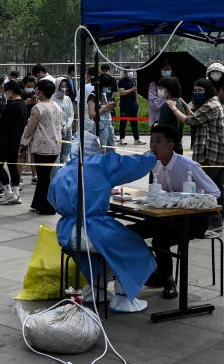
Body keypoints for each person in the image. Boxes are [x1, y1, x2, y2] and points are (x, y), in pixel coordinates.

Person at [48, 132, 157, 312]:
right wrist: (151, 157)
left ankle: (96, 289)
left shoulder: (63, 171)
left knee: (106, 251)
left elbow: (51, 199)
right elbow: (131, 165)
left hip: (67, 232)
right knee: (133, 247)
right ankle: (123, 298)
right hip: (93, 229)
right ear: (96, 150)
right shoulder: (100, 164)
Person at [145, 124, 222, 299]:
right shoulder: (154, 164)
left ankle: (168, 280)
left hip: (194, 220)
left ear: (171, 145)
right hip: (167, 216)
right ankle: (155, 273)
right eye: (151, 141)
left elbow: (215, 192)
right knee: (135, 232)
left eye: (158, 141)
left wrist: (189, 201)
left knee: (160, 238)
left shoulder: (188, 166)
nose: (153, 146)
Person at [167, 77, 224, 234]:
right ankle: (217, 221)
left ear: (208, 91)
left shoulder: (210, 105)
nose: (196, 94)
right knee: (218, 187)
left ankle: (213, 221)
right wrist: (188, 109)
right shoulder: (213, 104)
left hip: (211, 154)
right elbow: (198, 118)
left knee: (207, 188)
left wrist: (173, 108)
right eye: (194, 91)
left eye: (200, 91)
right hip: (220, 154)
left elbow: (190, 121)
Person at [20, 79, 63, 214]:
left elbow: (29, 128)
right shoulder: (56, 105)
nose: (36, 91)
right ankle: (38, 203)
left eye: (38, 89)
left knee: (43, 178)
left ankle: (48, 207)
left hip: (42, 146)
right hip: (55, 145)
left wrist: (23, 142)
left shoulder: (38, 108)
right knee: (44, 177)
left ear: (42, 92)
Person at [0, 80, 27, 205]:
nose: (5, 94)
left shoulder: (11, 105)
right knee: (12, 166)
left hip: (5, 141)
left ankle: (8, 192)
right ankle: (16, 194)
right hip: (16, 141)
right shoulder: (22, 103)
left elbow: (3, 122)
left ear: (10, 91)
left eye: (6, 91)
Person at [154, 76, 187, 154]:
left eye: (161, 88)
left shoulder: (167, 105)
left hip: (168, 148)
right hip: (178, 145)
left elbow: (161, 128)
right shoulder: (179, 102)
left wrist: (156, 126)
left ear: (168, 90)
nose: (159, 90)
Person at [88, 72, 117, 150]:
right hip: (100, 126)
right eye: (106, 86)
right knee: (101, 150)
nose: (108, 88)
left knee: (112, 150)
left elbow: (105, 107)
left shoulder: (104, 94)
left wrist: (110, 106)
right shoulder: (92, 96)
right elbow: (91, 115)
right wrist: (105, 107)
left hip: (109, 124)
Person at [52, 77, 76, 163]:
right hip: (56, 130)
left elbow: (71, 114)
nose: (64, 88)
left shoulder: (67, 99)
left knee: (65, 153)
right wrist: (61, 126)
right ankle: (56, 174)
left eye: (65, 86)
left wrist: (67, 126)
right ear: (57, 86)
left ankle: (63, 171)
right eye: (61, 86)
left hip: (67, 129)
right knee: (57, 153)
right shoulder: (52, 99)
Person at [116, 69, 141, 145]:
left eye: (131, 71)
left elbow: (135, 91)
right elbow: (122, 92)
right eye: (129, 71)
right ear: (125, 73)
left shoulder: (133, 80)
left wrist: (136, 102)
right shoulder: (121, 81)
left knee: (134, 122)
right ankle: (122, 138)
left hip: (133, 105)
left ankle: (137, 139)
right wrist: (131, 90)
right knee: (123, 122)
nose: (131, 72)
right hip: (125, 105)